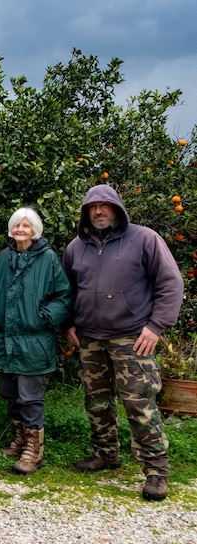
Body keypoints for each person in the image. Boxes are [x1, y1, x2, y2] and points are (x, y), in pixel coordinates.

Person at [62, 184, 183, 501]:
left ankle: (156, 469)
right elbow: (66, 289)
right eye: (93, 207)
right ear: (86, 213)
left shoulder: (144, 239)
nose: (99, 211)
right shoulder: (76, 247)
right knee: (97, 402)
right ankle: (106, 454)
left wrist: (156, 326)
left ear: (117, 209)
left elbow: (170, 283)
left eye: (105, 206)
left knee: (140, 404)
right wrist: (68, 322)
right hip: (90, 338)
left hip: (133, 338)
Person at [0, 208, 71, 474]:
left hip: (33, 342)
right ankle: (21, 439)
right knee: (9, 392)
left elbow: (63, 295)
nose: (20, 229)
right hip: (4, 339)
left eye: (26, 225)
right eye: (16, 225)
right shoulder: (3, 257)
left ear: (35, 230)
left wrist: (44, 317)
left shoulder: (47, 259)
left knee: (30, 397)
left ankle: (34, 451)